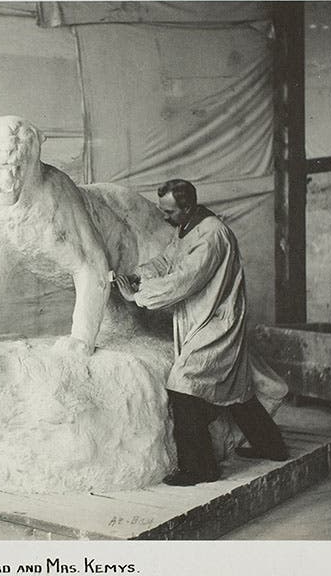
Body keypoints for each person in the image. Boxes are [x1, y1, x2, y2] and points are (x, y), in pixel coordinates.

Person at [115, 179, 288, 487]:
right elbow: (167, 261)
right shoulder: (188, 228)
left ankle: (200, 469)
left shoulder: (212, 236)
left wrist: (138, 296)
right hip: (203, 319)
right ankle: (272, 446)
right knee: (237, 389)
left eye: (169, 212)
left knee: (184, 385)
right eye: (162, 210)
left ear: (188, 207)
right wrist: (137, 275)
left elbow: (184, 279)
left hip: (217, 323)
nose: (165, 217)